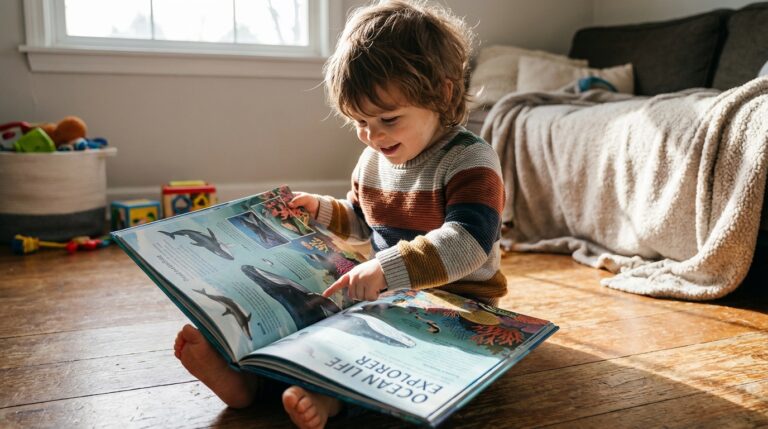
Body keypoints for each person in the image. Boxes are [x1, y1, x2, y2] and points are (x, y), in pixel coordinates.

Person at [173, 1, 506, 428]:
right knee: (308, 316)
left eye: (388, 118)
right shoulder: (372, 161)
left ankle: (333, 402)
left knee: (389, 347)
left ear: (441, 94)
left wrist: (386, 270)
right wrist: (322, 210)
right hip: (387, 292)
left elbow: (468, 243)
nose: (373, 134)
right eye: (359, 122)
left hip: (459, 306)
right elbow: (363, 222)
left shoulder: (470, 160)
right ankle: (248, 381)